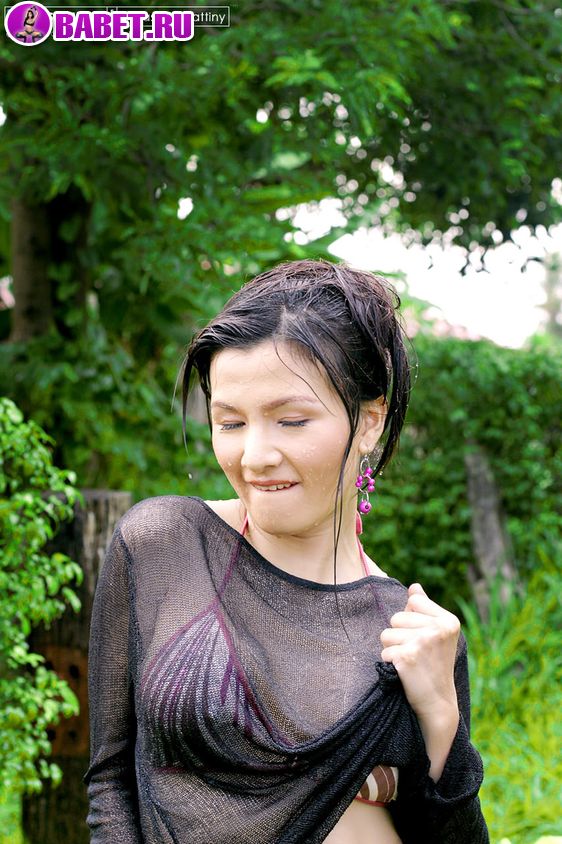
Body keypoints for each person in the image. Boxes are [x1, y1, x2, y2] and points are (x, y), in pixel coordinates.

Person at [85, 259, 489, 843]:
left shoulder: (414, 633)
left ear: (369, 421)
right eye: (230, 423)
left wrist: (442, 723)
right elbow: (111, 782)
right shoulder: (164, 546)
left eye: (291, 421)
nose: (255, 456)